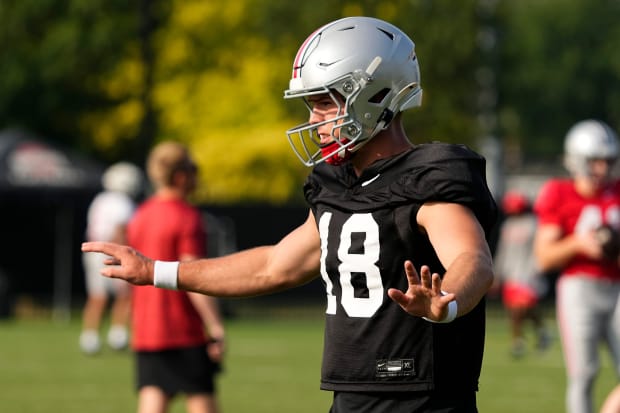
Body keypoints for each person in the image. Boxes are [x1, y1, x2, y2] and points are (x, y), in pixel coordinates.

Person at [83, 16, 498, 412]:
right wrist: (155, 271)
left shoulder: (428, 179)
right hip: (351, 395)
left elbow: (472, 259)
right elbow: (273, 266)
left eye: (322, 104)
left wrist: (449, 300)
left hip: (424, 400)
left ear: (375, 96)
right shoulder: (338, 185)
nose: (314, 121)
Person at [127, 141, 226, 413]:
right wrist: (215, 326)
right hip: (183, 330)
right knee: (201, 400)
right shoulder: (187, 218)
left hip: (147, 330)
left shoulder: (140, 216)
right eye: (194, 169)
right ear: (181, 175)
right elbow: (194, 276)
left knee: (152, 399)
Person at [533, 119, 620, 413]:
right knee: (584, 373)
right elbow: (544, 257)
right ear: (577, 160)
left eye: (608, 161)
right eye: (595, 161)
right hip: (579, 287)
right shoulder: (560, 192)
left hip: (618, 287)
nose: (603, 169)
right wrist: (579, 244)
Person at [80, 161, 144, 355]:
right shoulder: (122, 203)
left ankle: (89, 337)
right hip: (111, 251)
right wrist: (122, 254)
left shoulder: (100, 199)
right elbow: (120, 230)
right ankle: (118, 334)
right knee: (125, 294)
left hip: (92, 250)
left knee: (97, 296)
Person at [493, 190, 550, 358]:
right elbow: (503, 251)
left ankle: (536, 332)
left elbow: (539, 248)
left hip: (528, 273)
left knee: (524, 306)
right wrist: (497, 272)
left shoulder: (534, 224)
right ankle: (519, 340)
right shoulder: (508, 226)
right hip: (511, 273)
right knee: (514, 309)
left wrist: (537, 268)